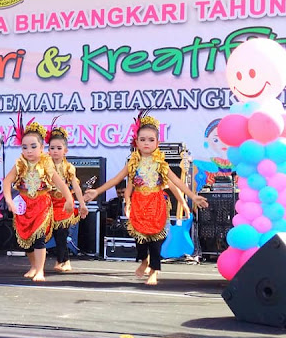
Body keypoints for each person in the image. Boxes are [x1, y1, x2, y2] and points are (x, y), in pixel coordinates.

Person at [84, 112, 208, 285]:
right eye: (142, 139)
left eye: (150, 140)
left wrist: (193, 196)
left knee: (156, 240)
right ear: (137, 142)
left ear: (157, 143)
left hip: (156, 204)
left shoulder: (161, 164)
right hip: (139, 204)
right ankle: (144, 260)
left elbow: (176, 181)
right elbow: (116, 180)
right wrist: (97, 191)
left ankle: (154, 272)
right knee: (140, 240)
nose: (146, 143)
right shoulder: (132, 163)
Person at [2, 119, 75, 282]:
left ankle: (40, 270)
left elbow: (60, 183)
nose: (29, 151)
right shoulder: (20, 164)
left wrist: (69, 199)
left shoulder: (46, 164)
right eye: (25, 147)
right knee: (27, 240)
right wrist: (9, 200)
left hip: (41, 204)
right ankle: (33, 266)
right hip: (24, 204)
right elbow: (7, 181)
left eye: (33, 146)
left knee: (39, 237)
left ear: (42, 148)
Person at [46, 125, 88, 273]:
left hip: (64, 204)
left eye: (58, 148)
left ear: (65, 150)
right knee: (53, 234)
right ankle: (61, 259)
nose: (55, 151)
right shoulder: (44, 166)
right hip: (48, 204)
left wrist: (82, 204)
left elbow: (76, 187)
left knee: (62, 233)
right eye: (52, 148)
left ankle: (64, 260)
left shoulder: (69, 167)